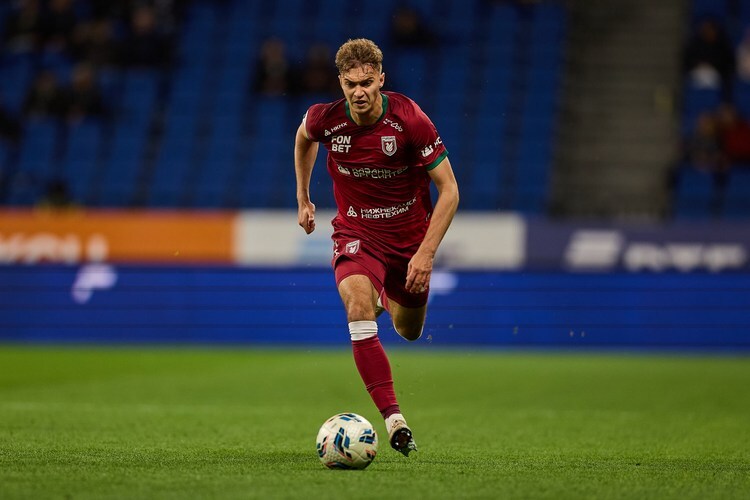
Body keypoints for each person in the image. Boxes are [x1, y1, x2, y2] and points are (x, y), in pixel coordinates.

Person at [294, 38, 459, 456]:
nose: (359, 92)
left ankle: (385, 296)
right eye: (351, 84)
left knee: (409, 330)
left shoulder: (409, 119)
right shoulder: (327, 119)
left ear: (381, 79)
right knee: (356, 306)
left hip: (409, 241)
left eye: (366, 83)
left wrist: (425, 253)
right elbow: (304, 136)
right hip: (357, 232)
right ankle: (394, 420)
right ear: (341, 83)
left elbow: (450, 190)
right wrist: (303, 197)